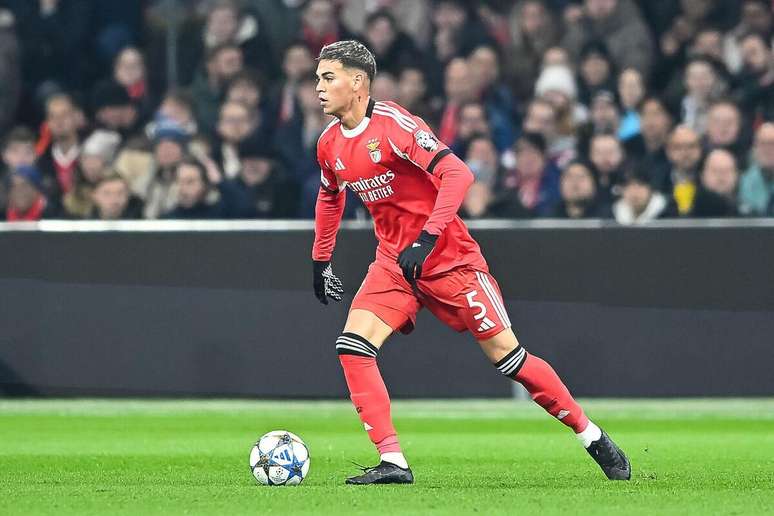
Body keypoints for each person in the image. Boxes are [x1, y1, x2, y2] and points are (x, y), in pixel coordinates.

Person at [312, 40, 630, 485]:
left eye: (329, 77)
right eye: (319, 78)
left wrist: (426, 238)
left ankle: (590, 434)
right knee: (352, 347)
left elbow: (458, 173)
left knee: (510, 359)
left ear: (359, 81)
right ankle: (393, 461)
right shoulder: (328, 144)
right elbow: (329, 196)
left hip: (451, 261)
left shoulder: (395, 125)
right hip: (394, 264)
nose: (319, 88)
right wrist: (320, 260)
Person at [738, 123, 774, 216]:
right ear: (755, 147)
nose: (768, 149)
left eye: (772, 143)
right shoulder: (742, 180)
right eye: (763, 143)